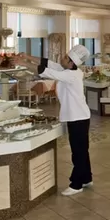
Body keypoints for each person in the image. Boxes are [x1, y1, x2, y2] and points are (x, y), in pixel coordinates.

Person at [37, 45, 94, 196]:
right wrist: (26, 57)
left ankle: (76, 184)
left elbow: (45, 70)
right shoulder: (71, 71)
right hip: (80, 116)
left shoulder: (71, 75)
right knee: (82, 150)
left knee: (78, 152)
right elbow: (47, 63)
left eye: (64, 57)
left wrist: (23, 63)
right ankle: (86, 178)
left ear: (70, 62)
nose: (61, 59)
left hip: (78, 118)